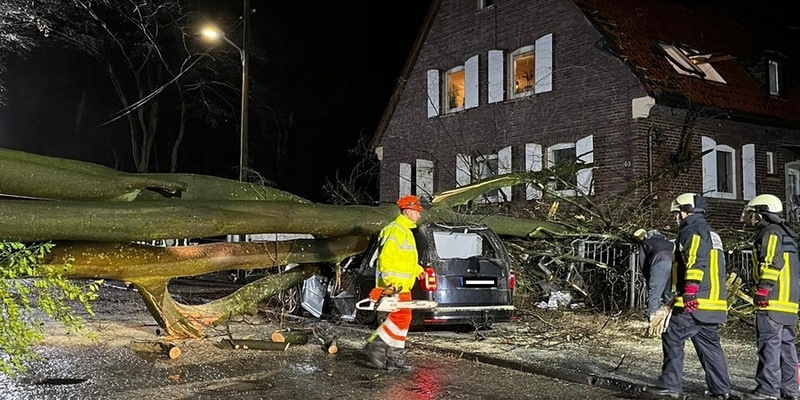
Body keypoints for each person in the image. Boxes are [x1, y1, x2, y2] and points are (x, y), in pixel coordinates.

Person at [645, 193, 732, 399]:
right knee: (709, 345)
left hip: (696, 301)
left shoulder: (692, 230)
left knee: (672, 334)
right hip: (713, 301)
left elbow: (696, 262)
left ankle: (670, 386)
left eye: (677, 212)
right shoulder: (711, 233)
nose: (676, 217)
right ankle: (721, 389)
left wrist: (689, 293)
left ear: (684, 211)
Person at [740, 194, 800, 400]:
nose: (751, 218)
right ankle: (790, 389)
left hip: (772, 300)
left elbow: (771, 263)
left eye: (753, 214)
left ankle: (767, 390)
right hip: (789, 302)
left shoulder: (770, 232)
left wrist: (762, 290)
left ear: (761, 213)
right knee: (786, 346)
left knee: (769, 345)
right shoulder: (787, 235)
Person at [362, 194, 425, 371]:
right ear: (407, 211)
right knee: (400, 318)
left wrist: (418, 270)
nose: (419, 215)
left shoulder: (404, 231)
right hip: (393, 286)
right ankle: (376, 347)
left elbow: (404, 260)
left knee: (402, 319)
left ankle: (392, 356)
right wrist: (391, 283)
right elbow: (385, 259)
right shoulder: (396, 229)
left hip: (400, 286)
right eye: (416, 211)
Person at [634, 228, 675, 320]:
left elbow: (643, 262)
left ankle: (652, 318)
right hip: (673, 263)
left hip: (659, 262)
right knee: (668, 293)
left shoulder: (647, 242)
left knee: (654, 292)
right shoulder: (668, 242)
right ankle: (670, 317)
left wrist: (647, 277)